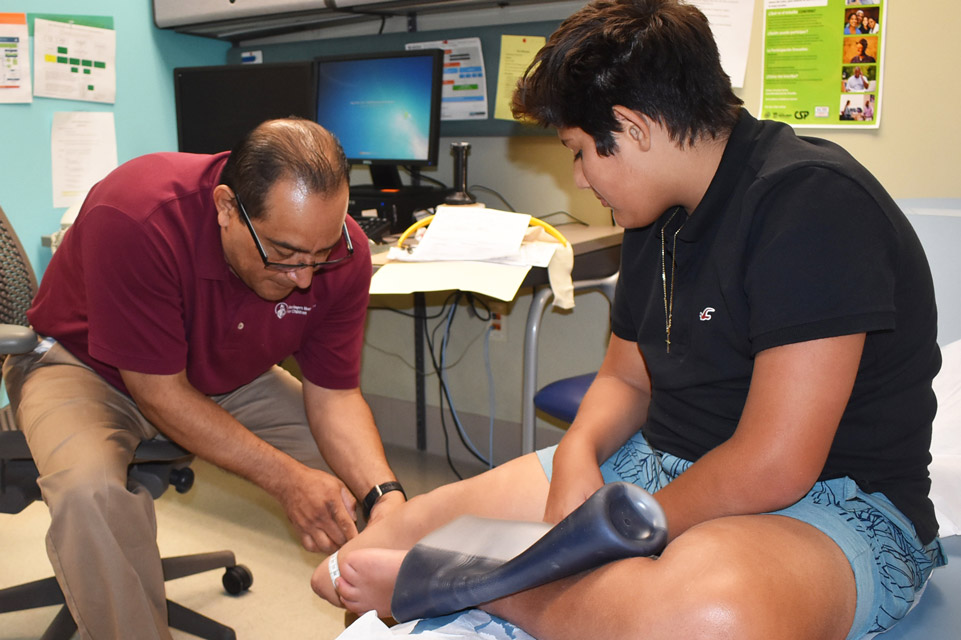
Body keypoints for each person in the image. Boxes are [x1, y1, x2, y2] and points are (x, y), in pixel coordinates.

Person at [310, 1, 946, 639]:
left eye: (581, 152)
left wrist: (606, 535)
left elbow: (774, 465)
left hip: (828, 503)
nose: (581, 179)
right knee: (374, 551)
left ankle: (483, 586)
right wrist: (580, 456)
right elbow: (626, 380)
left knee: (707, 618)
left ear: (633, 127)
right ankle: (498, 580)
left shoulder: (811, 204)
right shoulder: (656, 212)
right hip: (659, 463)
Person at [2, 117, 407, 640]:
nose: (304, 277)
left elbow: (334, 396)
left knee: (364, 499)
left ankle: (384, 632)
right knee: (90, 495)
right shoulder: (136, 214)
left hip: (223, 374)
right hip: (83, 367)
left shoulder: (341, 253)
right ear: (225, 209)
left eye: (319, 255)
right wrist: (286, 480)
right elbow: (158, 392)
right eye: (282, 254)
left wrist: (386, 495)